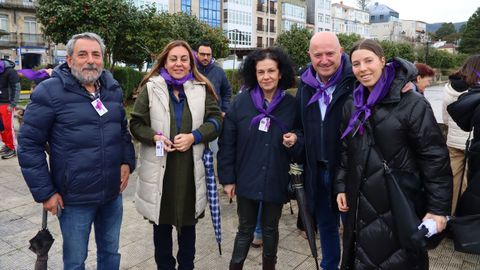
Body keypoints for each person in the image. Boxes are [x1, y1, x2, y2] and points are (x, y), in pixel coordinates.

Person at [18, 32, 136, 269]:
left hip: (112, 194)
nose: (90, 60)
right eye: (82, 54)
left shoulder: (112, 89)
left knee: (111, 254)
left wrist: (126, 161)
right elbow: (29, 145)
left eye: (96, 54)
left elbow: (122, 131)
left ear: (103, 59)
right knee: (74, 261)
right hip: (74, 199)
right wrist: (46, 193)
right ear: (70, 60)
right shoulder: (49, 92)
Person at [335, 39, 452, 269]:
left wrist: (438, 210)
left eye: (368, 61)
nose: (362, 68)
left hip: (399, 202)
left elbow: (434, 158)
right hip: (360, 201)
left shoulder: (412, 103)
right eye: (356, 63)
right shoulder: (353, 104)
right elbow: (346, 150)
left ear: (382, 60)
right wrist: (341, 185)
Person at [129, 40, 222, 270]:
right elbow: (136, 123)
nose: (179, 64)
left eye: (184, 59)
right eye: (173, 59)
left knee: (188, 230)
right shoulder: (152, 88)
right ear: (165, 62)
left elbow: (216, 120)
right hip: (161, 172)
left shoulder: (201, 88)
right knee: (161, 229)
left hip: (191, 173)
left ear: (191, 63)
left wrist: (195, 136)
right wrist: (154, 137)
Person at [218, 47, 297, 270]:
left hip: (275, 176)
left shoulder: (291, 105)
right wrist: (228, 179)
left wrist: (295, 139)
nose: (266, 76)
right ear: (254, 74)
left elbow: (302, 136)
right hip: (246, 177)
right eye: (261, 72)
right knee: (245, 229)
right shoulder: (240, 103)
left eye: (271, 71)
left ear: (281, 73)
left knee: (271, 229)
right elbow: (227, 144)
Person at [290, 31, 356, 270]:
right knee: (326, 227)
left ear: (341, 52)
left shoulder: (355, 80)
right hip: (316, 171)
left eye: (330, 53)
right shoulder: (306, 85)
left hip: (348, 173)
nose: (324, 60)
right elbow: (299, 126)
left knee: (353, 229)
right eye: (318, 55)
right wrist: (294, 138)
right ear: (310, 55)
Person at [446, 55, 480, 215]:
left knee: (452, 181)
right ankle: (463, 220)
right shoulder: (475, 90)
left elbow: (445, 118)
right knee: (468, 184)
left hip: (452, 140)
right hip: (471, 141)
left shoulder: (449, 87)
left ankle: (447, 216)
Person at [195, 41, 232, 114]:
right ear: (196, 54)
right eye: (202, 54)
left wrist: (224, 109)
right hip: (195, 115)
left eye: (208, 55)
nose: (205, 57)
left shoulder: (219, 71)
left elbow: (227, 91)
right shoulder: (190, 71)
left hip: (216, 114)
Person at [0, 58, 20, 159]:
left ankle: (13, 149)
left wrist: (13, 104)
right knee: (1, 128)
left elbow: (16, 88)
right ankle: (7, 145)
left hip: (7, 104)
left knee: (8, 127)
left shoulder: (10, 72)